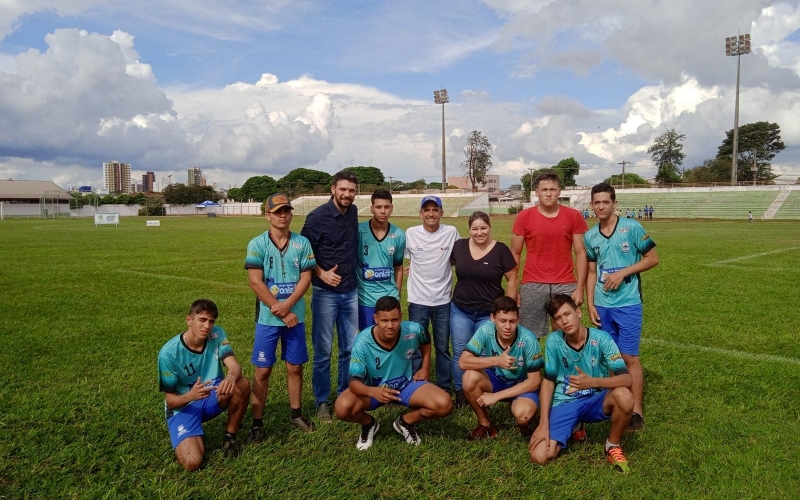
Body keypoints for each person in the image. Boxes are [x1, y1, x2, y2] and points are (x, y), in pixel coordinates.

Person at [529, 294, 634, 473]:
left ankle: (612, 445)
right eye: (558, 318)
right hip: (565, 401)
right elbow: (548, 382)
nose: (565, 321)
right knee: (539, 456)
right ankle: (574, 425)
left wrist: (592, 381)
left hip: (595, 398)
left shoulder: (602, 338)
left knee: (624, 395)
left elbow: (627, 379)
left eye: (567, 314)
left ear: (578, 313)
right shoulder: (554, 341)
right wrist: (543, 423)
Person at [585, 182, 658, 433]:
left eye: (606, 201)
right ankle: (615, 403)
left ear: (615, 203)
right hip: (602, 305)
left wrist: (623, 272)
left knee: (629, 357)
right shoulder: (591, 236)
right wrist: (591, 303)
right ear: (592, 205)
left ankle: (636, 410)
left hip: (628, 303)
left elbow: (652, 258)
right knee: (610, 358)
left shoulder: (632, 227)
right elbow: (592, 272)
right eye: (597, 202)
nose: (601, 206)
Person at [334, 296, 453, 450]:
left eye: (395, 320)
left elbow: (425, 340)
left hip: (406, 386)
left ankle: (405, 421)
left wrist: (425, 368)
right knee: (342, 408)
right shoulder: (362, 342)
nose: (390, 325)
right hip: (375, 390)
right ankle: (369, 424)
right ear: (375, 318)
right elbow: (354, 383)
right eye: (384, 320)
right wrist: (374, 392)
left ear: (401, 317)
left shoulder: (412, 330)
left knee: (444, 404)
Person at [245, 193, 317, 441]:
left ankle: (296, 414)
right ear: (267, 215)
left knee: (294, 367)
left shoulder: (302, 243)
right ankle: (257, 422)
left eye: (286, 210)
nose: (283, 215)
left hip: (294, 316)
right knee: (263, 371)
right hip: (268, 318)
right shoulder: (257, 244)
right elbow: (255, 281)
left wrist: (288, 306)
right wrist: (279, 308)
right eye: (277, 211)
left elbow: (306, 278)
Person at [158, 299, 251, 471]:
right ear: (189, 320)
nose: (207, 326)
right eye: (202, 319)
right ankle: (191, 433)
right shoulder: (168, 354)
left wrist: (230, 377)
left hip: (213, 396)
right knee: (192, 462)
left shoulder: (217, 334)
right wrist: (190, 396)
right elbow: (171, 402)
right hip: (184, 407)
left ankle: (229, 438)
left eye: (211, 321)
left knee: (241, 383)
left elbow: (234, 366)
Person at [301, 170, 360, 422]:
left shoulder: (354, 212)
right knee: (323, 350)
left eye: (352, 190)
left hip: (351, 291)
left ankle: (345, 394)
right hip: (325, 293)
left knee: (350, 348)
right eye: (343, 189)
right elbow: (301, 252)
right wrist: (321, 273)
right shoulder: (317, 217)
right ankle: (321, 400)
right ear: (333, 189)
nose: (347, 194)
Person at [450, 211, 518, 406]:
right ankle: (461, 392)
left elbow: (512, 279)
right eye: (475, 228)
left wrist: (508, 309)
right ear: (469, 229)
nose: (479, 232)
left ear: (490, 227)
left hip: (488, 312)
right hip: (460, 309)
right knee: (460, 351)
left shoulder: (500, 250)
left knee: (486, 354)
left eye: (483, 228)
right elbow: (443, 264)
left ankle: (486, 388)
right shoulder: (459, 246)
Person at [511, 170, 588, 338]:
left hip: (565, 283)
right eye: (544, 190)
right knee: (529, 337)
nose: (548, 193)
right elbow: (515, 254)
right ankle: (533, 365)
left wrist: (580, 288)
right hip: (532, 284)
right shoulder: (524, 217)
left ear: (559, 191)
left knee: (567, 334)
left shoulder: (573, 216)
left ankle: (563, 365)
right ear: (536, 192)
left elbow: (581, 253)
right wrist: (514, 289)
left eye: (552, 189)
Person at [459, 296, 543, 441]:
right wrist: (497, 360)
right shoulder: (486, 330)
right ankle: (485, 424)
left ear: (518, 319)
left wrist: (496, 396)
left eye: (512, 321)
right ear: (493, 318)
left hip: (521, 383)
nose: (507, 326)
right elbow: (463, 362)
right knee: (469, 377)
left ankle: (525, 424)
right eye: (502, 321)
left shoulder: (528, 339)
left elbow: (535, 382)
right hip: (497, 379)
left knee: (523, 415)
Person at [405, 195, 460, 393]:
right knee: (416, 344)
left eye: (435, 210)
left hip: (443, 300)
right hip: (418, 300)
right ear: (420, 213)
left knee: (443, 346)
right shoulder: (411, 233)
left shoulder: (451, 232)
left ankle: (444, 386)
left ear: (441, 213)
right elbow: (401, 258)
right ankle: (417, 385)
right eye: (426, 210)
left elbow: (457, 258)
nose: (431, 213)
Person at [356, 189, 406, 331]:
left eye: (386, 207)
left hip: (389, 296)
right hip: (365, 298)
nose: (383, 211)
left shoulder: (399, 234)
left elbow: (398, 267)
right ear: (372, 208)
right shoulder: (359, 231)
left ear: (391, 208)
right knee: (368, 338)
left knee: (390, 339)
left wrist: (397, 294)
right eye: (378, 207)